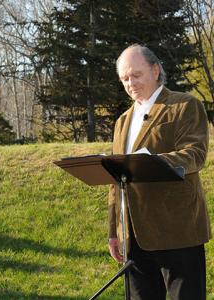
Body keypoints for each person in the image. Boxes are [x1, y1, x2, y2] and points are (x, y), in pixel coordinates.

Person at [108, 44, 211, 299]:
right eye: (124, 78)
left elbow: (194, 154)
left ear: (155, 70)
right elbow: (115, 181)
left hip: (177, 231)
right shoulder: (122, 121)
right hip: (134, 238)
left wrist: (150, 162)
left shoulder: (184, 105)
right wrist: (115, 232)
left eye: (136, 74)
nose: (130, 83)